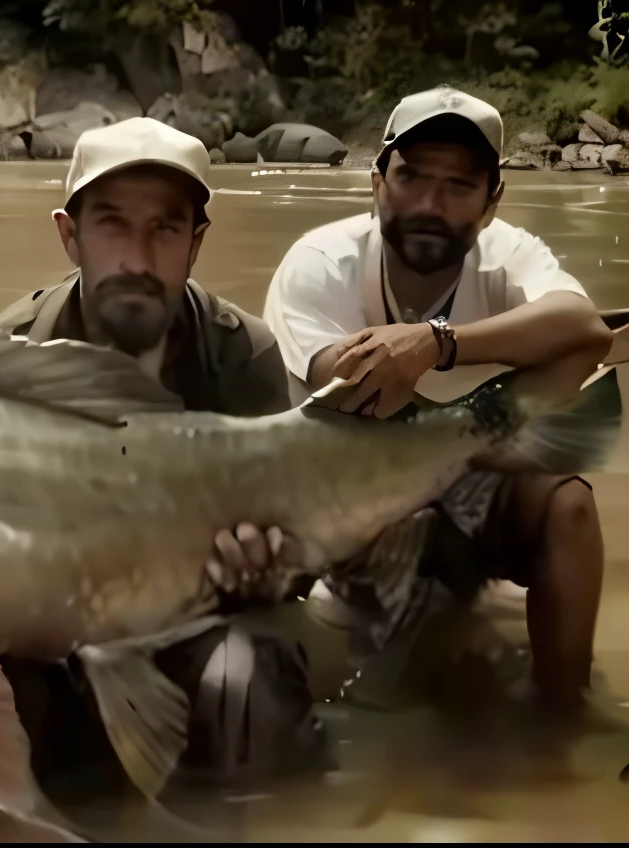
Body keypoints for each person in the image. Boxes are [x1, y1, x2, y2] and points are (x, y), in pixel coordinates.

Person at [0, 117, 329, 791]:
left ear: (196, 244)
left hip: (193, 622)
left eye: (166, 229)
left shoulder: (246, 358)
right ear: (69, 235)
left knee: (246, 694)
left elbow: (291, 554)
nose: (138, 259)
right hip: (48, 633)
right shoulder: (6, 359)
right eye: (112, 224)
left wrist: (266, 572)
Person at [261, 85, 614, 711]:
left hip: (472, 485)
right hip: (357, 507)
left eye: (458, 185)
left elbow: (585, 330)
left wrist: (438, 342)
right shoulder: (320, 262)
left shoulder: (508, 256)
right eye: (411, 177)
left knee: (570, 504)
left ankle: (562, 718)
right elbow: (341, 388)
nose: (430, 203)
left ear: (491, 201)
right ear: (376, 180)